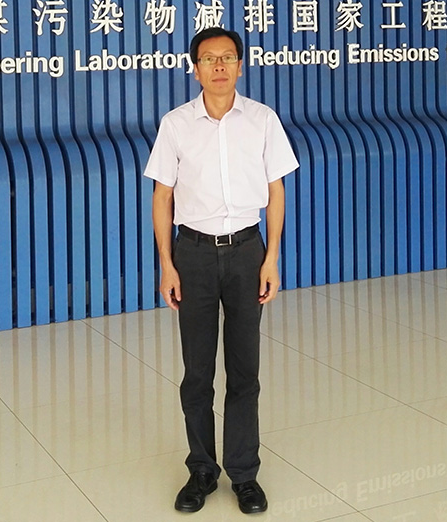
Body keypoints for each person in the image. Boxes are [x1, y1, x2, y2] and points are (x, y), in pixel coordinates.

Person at [144, 27, 299, 514]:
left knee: (244, 368)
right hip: (192, 254)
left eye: (227, 58)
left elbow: (275, 191)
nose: (218, 66)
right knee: (197, 371)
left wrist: (271, 258)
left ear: (239, 66)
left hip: (248, 252)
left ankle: (244, 474)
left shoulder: (263, 120)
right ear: (195, 69)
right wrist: (167, 264)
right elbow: (163, 197)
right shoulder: (175, 124)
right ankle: (202, 471)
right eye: (208, 58)